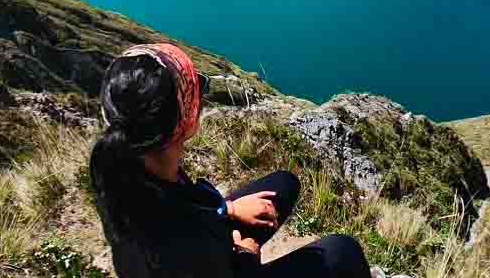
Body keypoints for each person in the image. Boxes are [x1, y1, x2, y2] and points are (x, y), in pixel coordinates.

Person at [90, 43, 372, 278]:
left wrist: (228, 209)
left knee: (283, 185)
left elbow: (182, 203)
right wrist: (246, 255)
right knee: (342, 252)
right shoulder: (183, 246)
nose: (200, 90)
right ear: (182, 120)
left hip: (206, 247)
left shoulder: (118, 168)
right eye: (195, 86)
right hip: (216, 264)